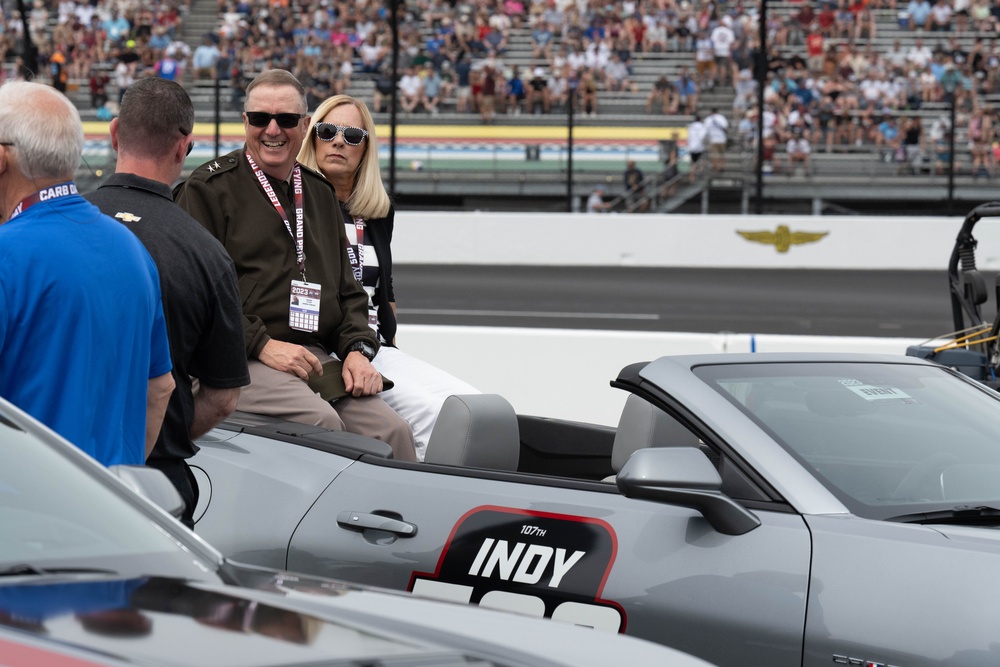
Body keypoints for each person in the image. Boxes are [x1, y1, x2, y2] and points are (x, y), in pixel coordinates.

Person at [173, 69, 416, 462]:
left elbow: (350, 294)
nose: (273, 130)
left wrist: (357, 349)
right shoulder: (207, 190)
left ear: (304, 126)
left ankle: (405, 522)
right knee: (322, 424)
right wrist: (262, 344)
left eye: (286, 120)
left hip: (312, 356)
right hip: (238, 358)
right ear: (245, 123)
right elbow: (194, 295)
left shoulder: (318, 194)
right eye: (260, 118)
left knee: (393, 431)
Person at [85, 78, 250, 526]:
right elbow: (223, 398)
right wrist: (164, 434)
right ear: (184, 148)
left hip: (51, 467)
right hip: (153, 482)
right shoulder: (206, 252)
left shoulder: (51, 226)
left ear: (115, 133)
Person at [0, 80, 174, 467]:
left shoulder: (7, 255)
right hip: (107, 510)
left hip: (23, 511)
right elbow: (160, 388)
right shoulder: (132, 250)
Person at [298, 95, 480, 460]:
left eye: (352, 136)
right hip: (329, 346)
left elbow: (384, 286)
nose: (338, 141)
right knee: (435, 417)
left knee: (475, 408)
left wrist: (390, 340)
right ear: (312, 138)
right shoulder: (295, 203)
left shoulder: (378, 211)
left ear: (366, 148)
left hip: (376, 345)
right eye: (328, 130)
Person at [704, 107, 730, 172]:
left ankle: (715, 167)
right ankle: (722, 166)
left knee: (714, 154)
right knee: (722, 154)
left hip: (713, 139)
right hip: (721, 138)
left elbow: (705, 130)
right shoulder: (721, 118)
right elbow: (725, 126)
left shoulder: (708, 119)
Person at [686, 113, 707, 182]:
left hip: (691, 147)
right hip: (699, 147)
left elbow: (688, 137)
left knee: (692, 163)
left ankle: (692, 178)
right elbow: (702, 137)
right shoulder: (702, 126)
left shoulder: (691, 126)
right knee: (701, 161)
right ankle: (700, 172)